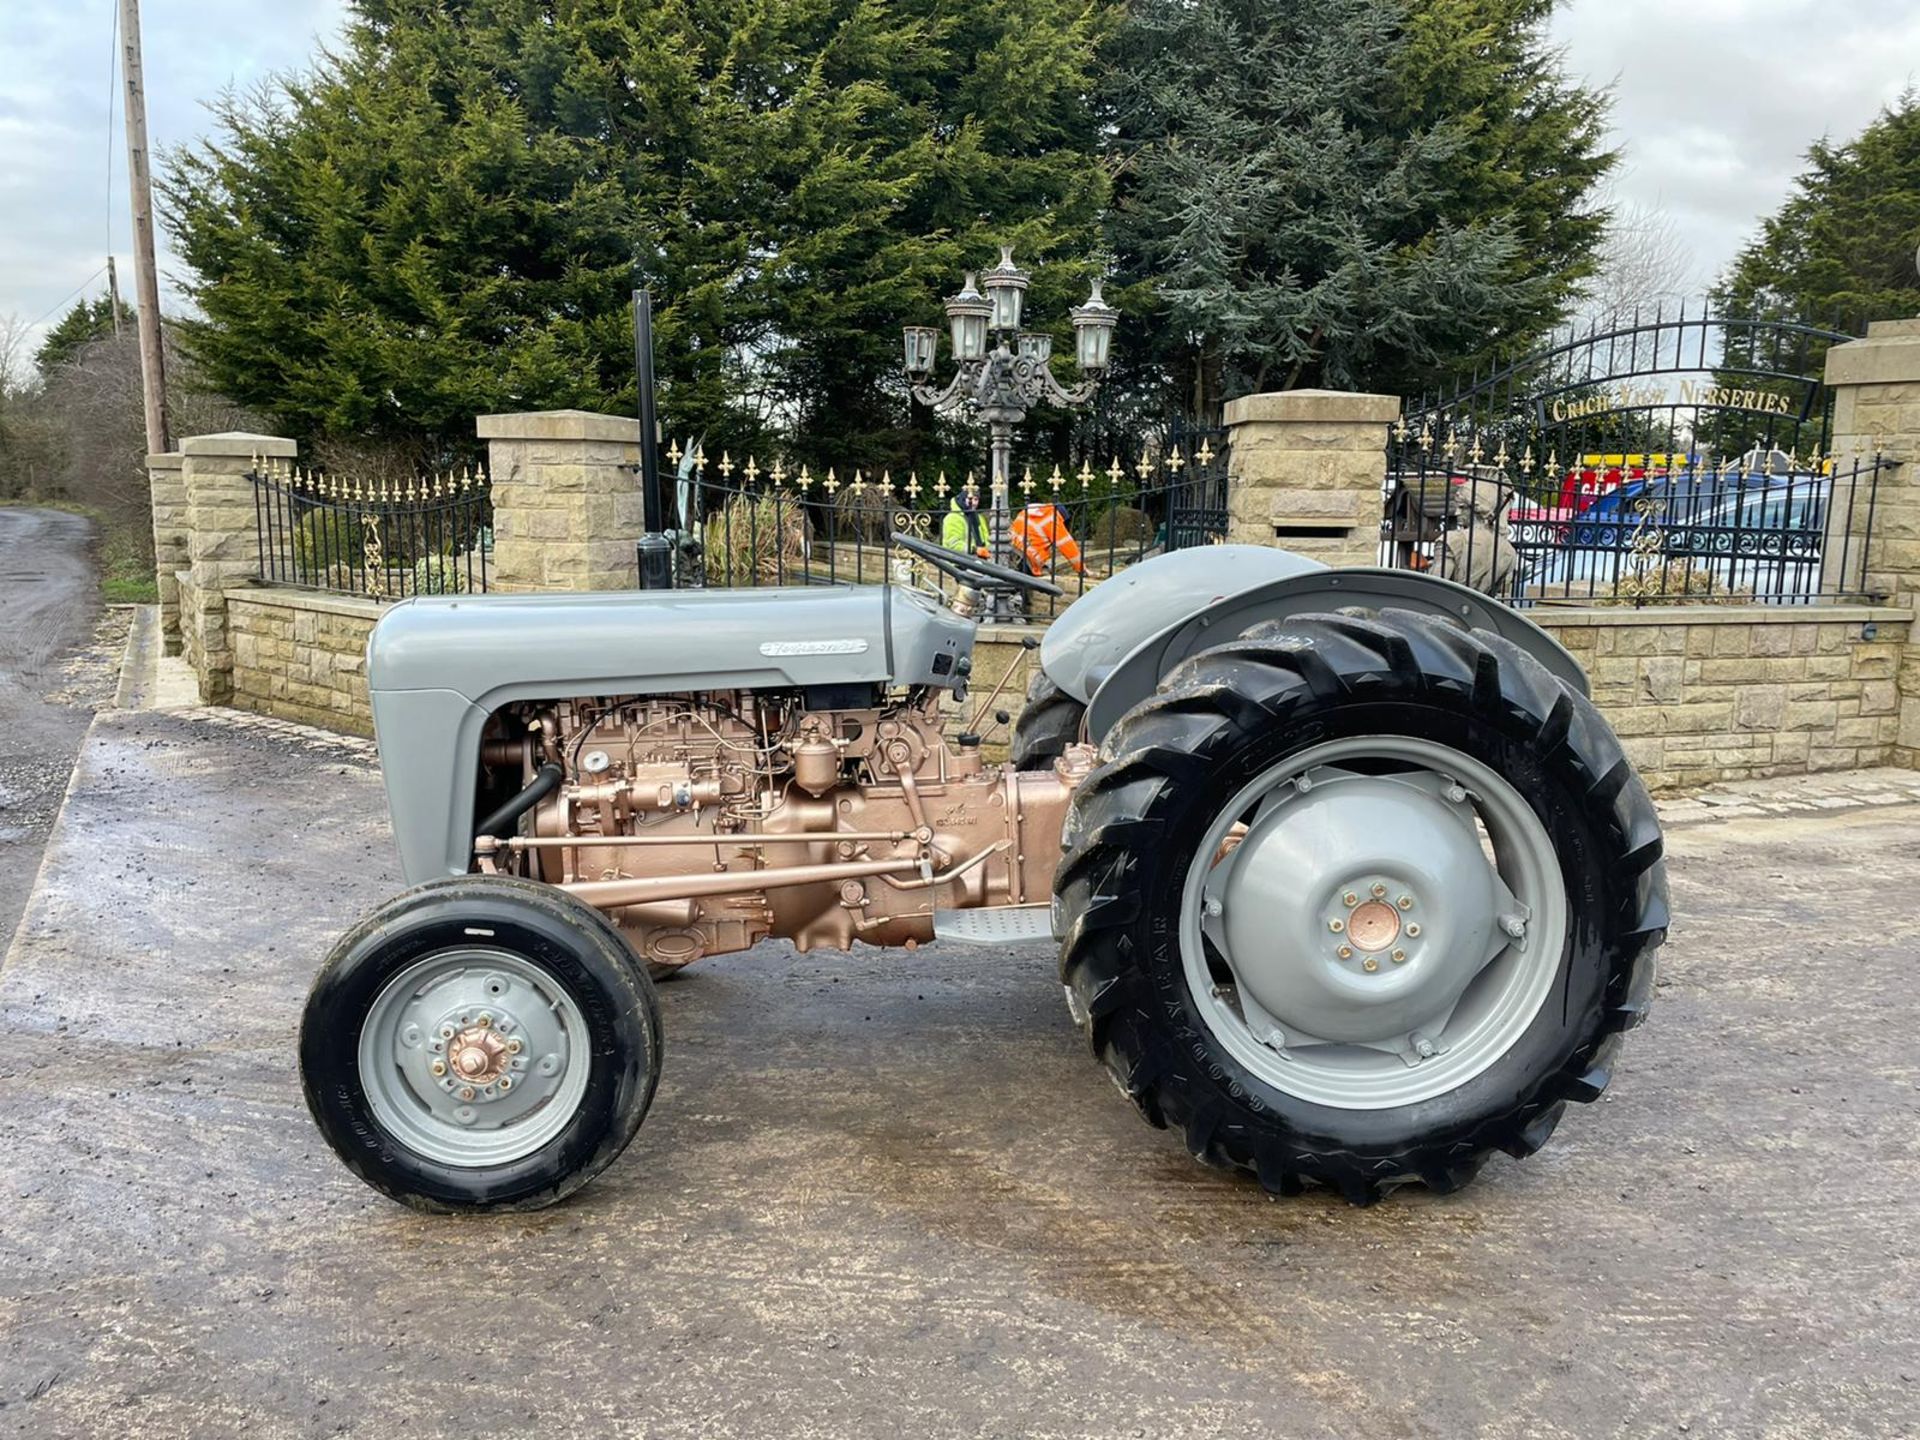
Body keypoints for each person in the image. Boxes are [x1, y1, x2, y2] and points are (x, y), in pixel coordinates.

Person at [1010, 501, 1085, 577]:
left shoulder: (1027, 511)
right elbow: (1067, 546)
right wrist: (1081, 569)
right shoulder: (1052, 518)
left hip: (1010, 550)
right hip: (1028, 559)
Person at [941, 491, 988, 559]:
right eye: (970, 499)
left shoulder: (979, 517)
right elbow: (953, 544)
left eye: (976, 499)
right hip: (957, 562)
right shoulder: (953, 518)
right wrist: (974, 550)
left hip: (978, 559)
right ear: (963, 499)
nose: (974, 503)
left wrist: (987, 550)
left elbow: (986, 539)